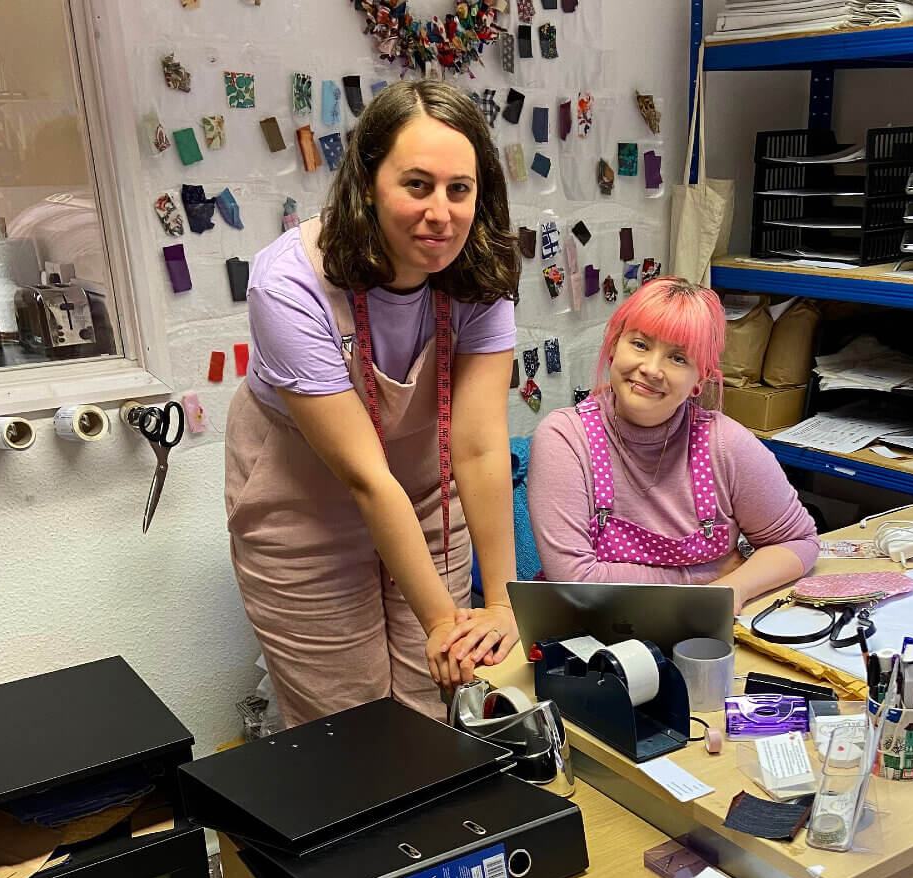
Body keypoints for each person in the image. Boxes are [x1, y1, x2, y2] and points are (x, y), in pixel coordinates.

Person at [225, 81, 521, 728]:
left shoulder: (482, 270)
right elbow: (364, 476)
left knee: (438, 709)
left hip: (424, 497)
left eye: (459, 189)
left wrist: (500, 603)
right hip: (307, 517)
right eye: (416, 185)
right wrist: (440, 617)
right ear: (366, 182)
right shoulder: (289, 285)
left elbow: (477, 446)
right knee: (350, 726)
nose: (440, 213)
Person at [527, 277, 819, 615]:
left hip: (698, 632)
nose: (651, 369)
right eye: (639, 344)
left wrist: (732, 589)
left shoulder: (726, 444)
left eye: (678, 358)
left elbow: (798, 542)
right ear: (612, 348)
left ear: (700, 380)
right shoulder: (565, 438)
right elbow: (574, 583)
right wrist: (704, 577)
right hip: (588, 630)